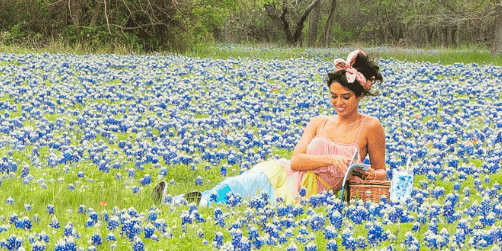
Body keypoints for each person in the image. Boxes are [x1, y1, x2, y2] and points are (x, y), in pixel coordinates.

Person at [159, 50, 387, 206]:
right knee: (236, 186)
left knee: (244, 198)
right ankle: (177, 201)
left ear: (360, 95)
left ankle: (182, 202)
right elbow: (297, 160)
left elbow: (381, 172)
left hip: (312, 196)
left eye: (345, 97)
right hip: (284, 173)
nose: (338, 102)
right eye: (333, 96)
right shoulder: (319, 122)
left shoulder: (370, 126)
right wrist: (331, 160)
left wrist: (364, 174)